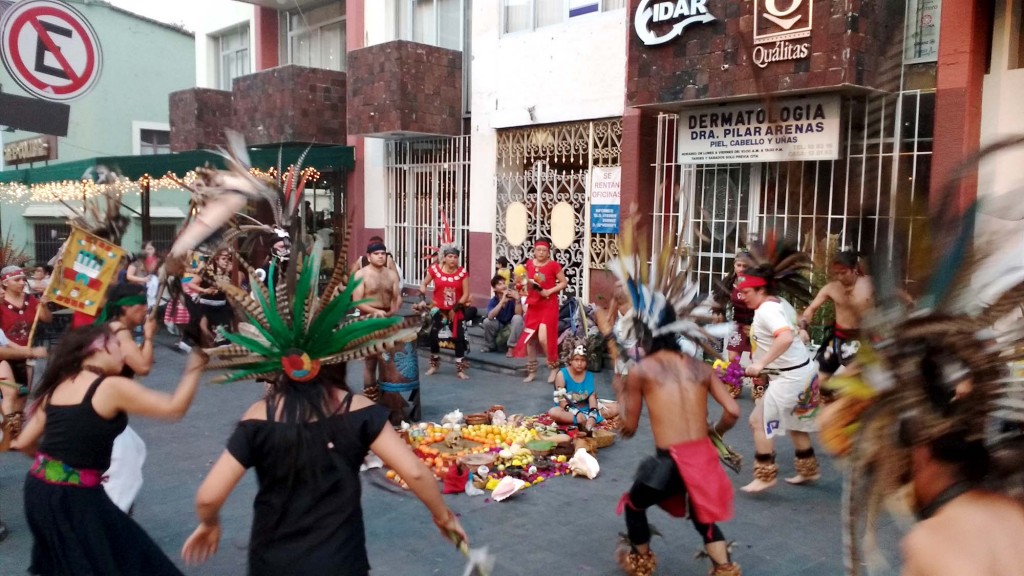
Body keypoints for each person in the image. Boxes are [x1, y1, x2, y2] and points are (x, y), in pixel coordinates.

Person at [181, 235, 469, 575]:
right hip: (340, 561)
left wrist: (209, 523)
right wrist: (442, 516)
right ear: (337, 359)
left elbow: (208, 497)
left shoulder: (259, 415)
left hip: (273, 563)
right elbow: (416, 472)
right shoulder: (358, 409)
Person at [10, 324, 207, 575]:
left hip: (39, 490)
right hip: (75, 498)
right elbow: (173, 408)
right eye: (118, 347)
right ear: (99, 348)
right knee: (131, 561)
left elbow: (25, 443)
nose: (124, 355)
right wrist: (195, 366)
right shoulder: (109, 387)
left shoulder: (60, 385)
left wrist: (56, 469)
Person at [601, 235, 742, 576]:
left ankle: (641, 564)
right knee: (702, 518)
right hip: (703, 458)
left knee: (634, 507)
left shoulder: (642, 370)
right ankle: (724, 568)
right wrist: (714, 431)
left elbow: (630, 426)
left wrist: (620, 392)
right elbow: (734, 411)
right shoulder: (701, 367)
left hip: (670, 460)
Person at [735, 258, 820, 493]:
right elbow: (793, 332)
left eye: (747, 292)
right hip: (803, 372)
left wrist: (761, 362)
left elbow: (783, 337)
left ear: (762, 289)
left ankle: (765, 474)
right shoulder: (779, 302)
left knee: (758, 422)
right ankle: (808, 468)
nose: (743, 296)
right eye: (741, 292)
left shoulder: (766, 310)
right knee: (796, 423)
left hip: (791, 377)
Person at [95, 282, 159, 513]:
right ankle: (115, 516)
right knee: (122, 466)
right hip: (104, 413)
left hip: (102, 407)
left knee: (132, 450)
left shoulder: (108, 327)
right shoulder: (120, 332)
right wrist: (150, 337)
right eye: (140, 304)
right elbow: (142, 367)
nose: (145, 308)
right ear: (125, 308)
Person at [799, 250, 873, 401]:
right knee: (818, 383)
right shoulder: (831, 288)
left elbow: (895, 295)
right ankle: (832, 405)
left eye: (843, 272)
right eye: (836, 273)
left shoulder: (869, 284)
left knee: (853, 384)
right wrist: (803, 328)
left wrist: (909, 303)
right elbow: (811, 310)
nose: (840, 277)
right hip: (837, 339)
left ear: (855, 269)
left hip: (862, 340)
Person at [351, 241, 402, 400]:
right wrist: (376, 311)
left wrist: (395, 308)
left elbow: (397, 296)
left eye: (383, 254)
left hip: (387, 317)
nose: (380, 256)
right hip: (369, 318)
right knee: (371, 360)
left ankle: (388, 394)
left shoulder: (391, 274)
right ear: (369, 256)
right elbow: (357, 300)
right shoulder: (361, 274)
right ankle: (370, 395)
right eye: (376, 254)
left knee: (390, 358)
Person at [512, 239, 568, 383]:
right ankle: (532, 371)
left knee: (544, 337)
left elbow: (563, 283)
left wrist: (549, 290)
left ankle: (553, 366)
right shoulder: (529, 264)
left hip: (549, 304)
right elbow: (524, 283)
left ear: (548, 252)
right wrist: (522, 292)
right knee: (530, 339)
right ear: (534, 250)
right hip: (533, 305)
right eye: (539, 250)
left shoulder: (554, 266)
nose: (541, 253)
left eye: (544, 250)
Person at [418, 243, 471, 380]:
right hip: (438, 310)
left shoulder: (462, 273)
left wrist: (455, 308)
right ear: (444, 257)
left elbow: (466, 294)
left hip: (456, 310)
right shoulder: (435, 270)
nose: (453, 259)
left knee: (459, 338)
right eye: (450, 256)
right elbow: (423, 284)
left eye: (455, 257)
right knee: (434, 337)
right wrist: (422, 298)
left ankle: (460, 370)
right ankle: (434, 365)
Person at [711, 252, 755, 398]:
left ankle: (759, 387)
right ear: (734, 265)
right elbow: (719, 300)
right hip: (738, 324)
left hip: (756, 325)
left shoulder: (757, 282)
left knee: (757, 359)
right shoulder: (729, 282)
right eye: (738, 265)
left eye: (745, 266)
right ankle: (734, 384)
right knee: (733, 357)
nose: (741, 268)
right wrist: (719, 313)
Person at [0, 265, 52, 386]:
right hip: (6, 354)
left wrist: (43, 306)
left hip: (27, 353)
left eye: (23, 279)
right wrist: (24, 350)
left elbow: (47, 319)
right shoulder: (1, 302)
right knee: (11, 394)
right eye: (17, 280)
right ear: (6, 283)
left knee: (24, 394)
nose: (22, 283)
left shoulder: (31, 299)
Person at [547, 345, 603, 432]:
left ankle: (588, 419)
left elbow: (592, 397)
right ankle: (582, 420)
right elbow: (561, 401)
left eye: (583, 360)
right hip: (567, 409)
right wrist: (576, 413)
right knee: (553, 412)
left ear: (587, 362)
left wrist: (592, 415)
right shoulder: (562, 374)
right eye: (576, 360)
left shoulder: (589, 376)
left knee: (616, 408)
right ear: (570, 360)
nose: (579, 364)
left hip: (585, 407)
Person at [481, 274, 523, 356]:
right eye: (499, 284)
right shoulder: (493, 301)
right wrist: (502, 302)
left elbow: (518, 314)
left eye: (504, 283)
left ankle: (511, 348)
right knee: (487, 321)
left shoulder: (512, 297)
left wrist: (518, 300)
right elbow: (490, 316)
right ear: (494, 288)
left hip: (511, 325)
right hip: (500, 325)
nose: (503, 286)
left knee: (518, 318)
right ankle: (490, 346)